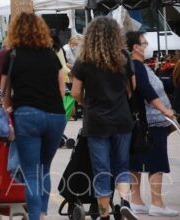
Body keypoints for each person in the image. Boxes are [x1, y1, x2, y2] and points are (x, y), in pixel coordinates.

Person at [71, 17, 138, 220]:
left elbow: (75, 92)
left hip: (97, 121)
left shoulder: (84, 60)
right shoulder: (124, 57)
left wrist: (86, 103)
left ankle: (104, 214)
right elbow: (132, 88)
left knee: (101, 169)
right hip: (121, 119)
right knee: (122, 165)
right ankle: (125, 201)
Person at [1, 13, 66, 220]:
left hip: (27, 114)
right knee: (44, 168)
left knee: (31, 173)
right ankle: (44, 213)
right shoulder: (51, 55)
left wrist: (7, 108)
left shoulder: (11, 55)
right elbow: (61, 88)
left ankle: (36, 217)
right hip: (56, 115)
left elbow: (2, 90)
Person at [126, 31, 178, 217]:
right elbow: (147, 91)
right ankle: (157, 203)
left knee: (137, 159)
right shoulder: (137, 66)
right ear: (135, 47)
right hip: (152, 120)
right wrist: (165, 110)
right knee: (157, 161)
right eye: (144, 43)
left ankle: (137, 201)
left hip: (144, 120)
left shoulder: (138, 66)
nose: (147, 45)